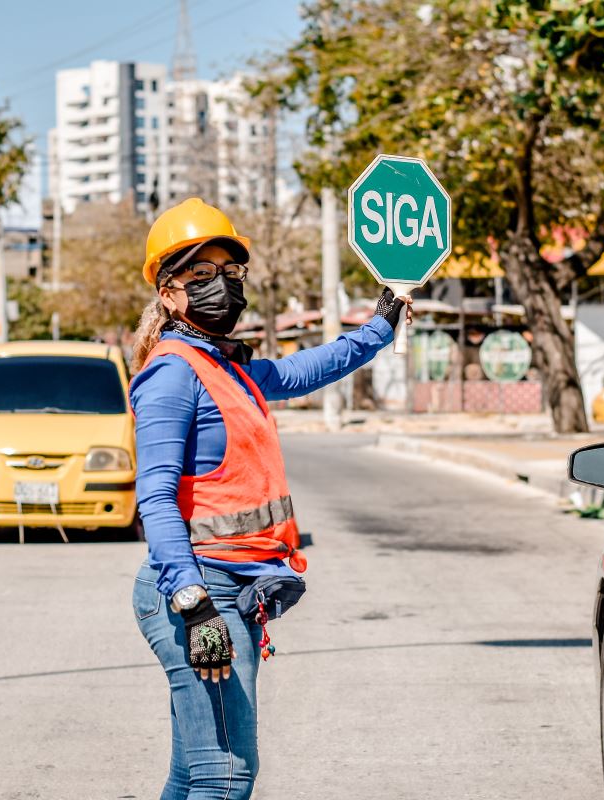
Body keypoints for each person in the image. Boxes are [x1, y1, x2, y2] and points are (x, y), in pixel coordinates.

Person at [129, 198, 411, 799]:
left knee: (193, 774)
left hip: (230, 587)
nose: (221, 288)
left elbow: (308, 368)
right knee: (226, 776)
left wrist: (379, 328)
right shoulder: (172, 373)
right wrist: (195, 604)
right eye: (201, 276)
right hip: (198, 593)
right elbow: (153, 497)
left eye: (231, 274)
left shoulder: (225, 366)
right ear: (169, 292)